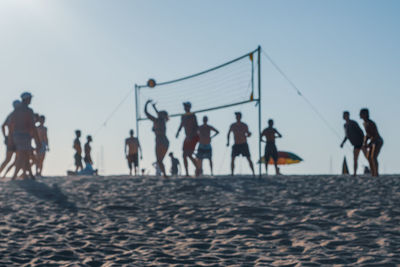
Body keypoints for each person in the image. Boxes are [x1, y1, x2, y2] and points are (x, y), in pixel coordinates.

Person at [8, 92, 40, 179]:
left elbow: (10, 124)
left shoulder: (16, 110)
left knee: (25, 155)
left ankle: (30, 175)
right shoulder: (28, 111)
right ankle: (14, 176)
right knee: (22, 155)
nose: (31, 100)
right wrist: (38, 141)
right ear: (27, 99)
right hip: (24, 135)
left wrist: (10, 138)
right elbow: (33, 126)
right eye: (30, 98)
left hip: (16, 135)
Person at [144, 99, 169, 177]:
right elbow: (159, 114)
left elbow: (146, 113)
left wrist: (146, 104)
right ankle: (164, 175)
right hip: (165, 141)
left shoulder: (157, 120)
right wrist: (154, 107)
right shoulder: (163, 120)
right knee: (160, 160)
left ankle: (164, 174)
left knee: (159, 160)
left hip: (160, 140)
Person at [227, 112, 255, 176]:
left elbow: (248, 134)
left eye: (238, 116)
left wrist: (249, 134)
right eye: (236, 116)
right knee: (233, 158)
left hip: (243, 144)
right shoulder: (233, 125)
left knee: (248, 158)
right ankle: (232, 173)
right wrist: (228, 142)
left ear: (240, 117)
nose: (237, 117)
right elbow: (228, 134)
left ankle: (253, 173)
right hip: (236, 144)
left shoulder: (244, 125)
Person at [176, 102, 199, 176]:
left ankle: (198, 168)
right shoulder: (183, 116)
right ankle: (187, 172)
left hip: (193, 136)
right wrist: (178, 132)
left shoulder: (193, 115)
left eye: (186, 106)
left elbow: (196, 126)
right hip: (187, 137)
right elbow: (181, 124)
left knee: (188, 154)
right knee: (185, 155)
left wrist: (192, 136)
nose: (185, 108)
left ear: (189, 107)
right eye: (184, 106)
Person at [340, 111, 366, 176]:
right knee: (355, 159)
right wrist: (343, 143)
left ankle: (373, 171)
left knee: (368, 157)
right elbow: (347, 135)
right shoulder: (345, 125)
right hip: (355, 144)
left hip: (361, 142)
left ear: (348, 115)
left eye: (345, 115)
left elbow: (361, 132)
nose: (344, 116)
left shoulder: (353, 123)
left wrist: (364, 142)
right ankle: (355, 173)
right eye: (343, 115)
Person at [360, 108, 383, 177]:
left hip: (377, 141)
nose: (360, 115)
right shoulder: (364, 123)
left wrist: (369, 143)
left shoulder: (371, 123)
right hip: (372, 142)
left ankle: (376, 173)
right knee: (369, 157)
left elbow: (375, 135)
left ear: (365, 114)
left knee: (373, 157)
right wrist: (365, 142)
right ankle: (373, 173)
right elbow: (367, 135)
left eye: (361, 113)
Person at [0, 100, 20, 177]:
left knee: (11, 159)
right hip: (14, 140)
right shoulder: (14, 115)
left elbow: (3, 126)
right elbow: (3, 126)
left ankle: (12, 175)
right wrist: (5, 136)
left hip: (11, 139)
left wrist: (5, 136)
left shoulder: (11, 115)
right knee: (14, 159)